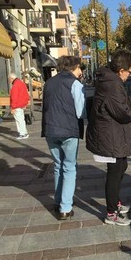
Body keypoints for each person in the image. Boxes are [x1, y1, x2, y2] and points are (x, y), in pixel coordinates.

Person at [86, 49, 131, 226]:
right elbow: (123, 113)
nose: (130, 74)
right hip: (110, 134)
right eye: (130, 71)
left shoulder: (110, 80)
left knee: (121, 166)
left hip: (113, 133)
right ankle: (111, 213)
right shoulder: (112, 84)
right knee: (115, 171)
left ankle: (115, 202)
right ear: (121, 70)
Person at [41, 56, 86, 220]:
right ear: (74, 67)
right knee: (69, 167)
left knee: (58, 166)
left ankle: (59, 201)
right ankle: (65, 208)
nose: (81, 72)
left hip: (50, 129)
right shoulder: (75, 84)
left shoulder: (49, 83)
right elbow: (81, 112)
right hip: (68, 130)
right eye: (80, 68)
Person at [9, 73, 30, 139]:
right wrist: (25, 103)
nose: (9, 81)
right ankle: (25, 132)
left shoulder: (15, 85)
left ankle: (22, 134)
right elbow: (26, 95)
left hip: (17, 105)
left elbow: (14, 97)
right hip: (21, 104)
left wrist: (13, 107)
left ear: (12, 78)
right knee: (21, 119)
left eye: (9, 79)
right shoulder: (21, 83)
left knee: (19, 120)